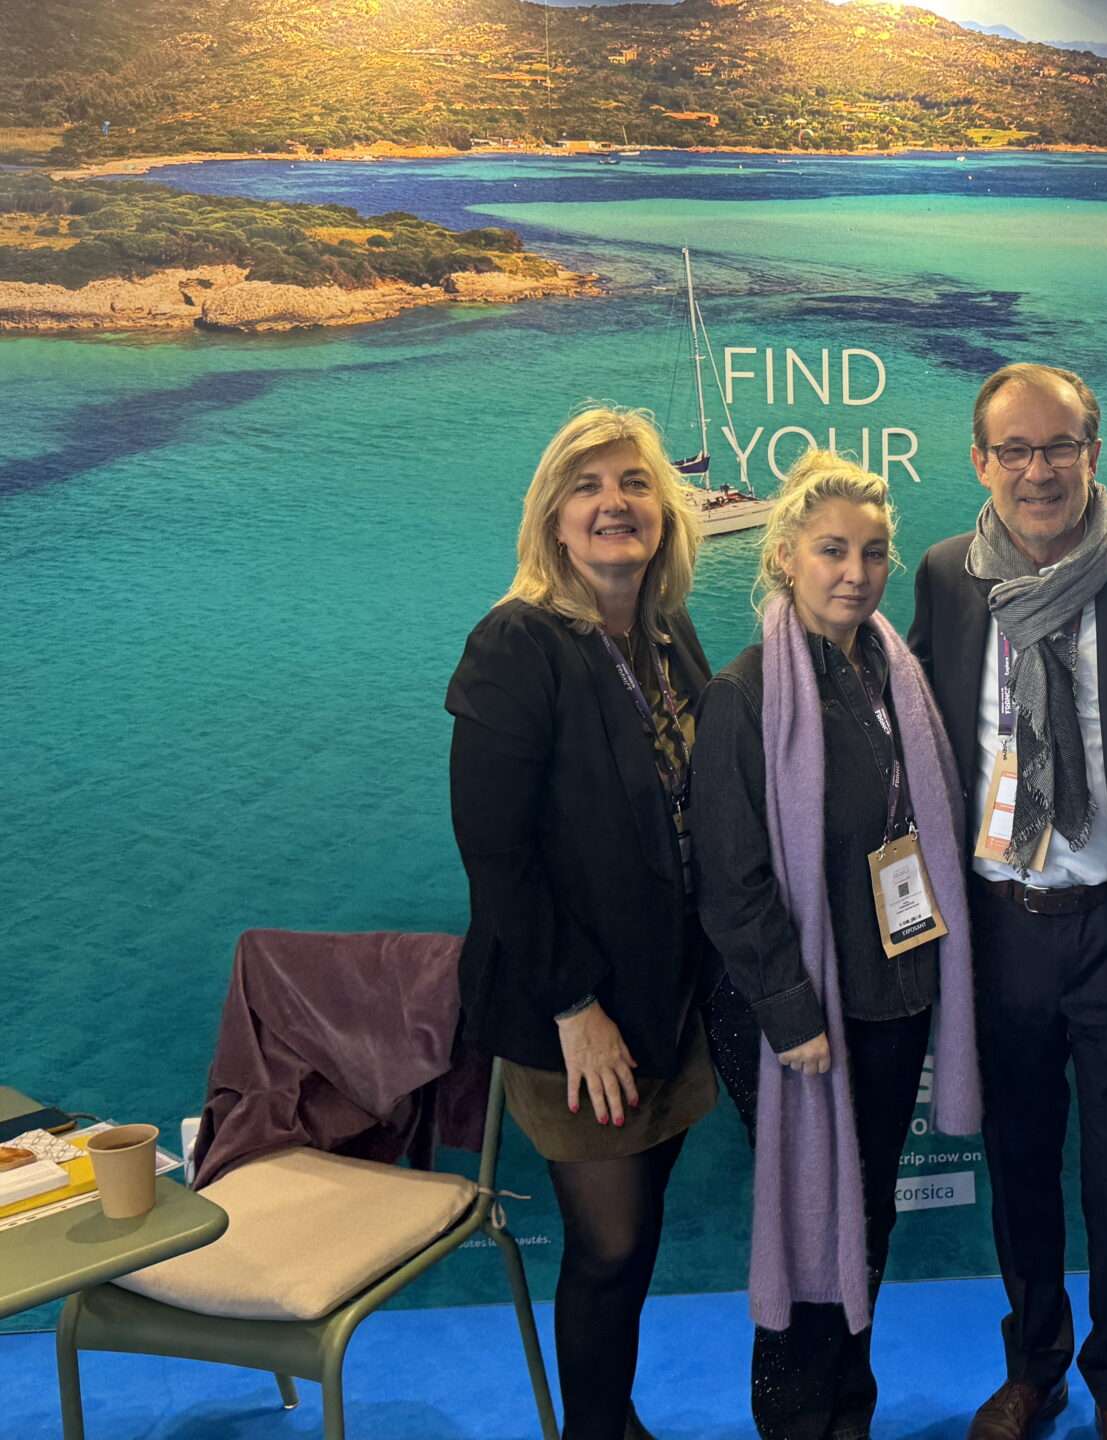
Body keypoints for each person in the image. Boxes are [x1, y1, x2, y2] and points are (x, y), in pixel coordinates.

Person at [908, 363, 1107, 1440]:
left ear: (1095, 450)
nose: (1037, 471)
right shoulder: (947, 578)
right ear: (980, 461)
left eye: (1059, 446)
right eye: (1014, 450)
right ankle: (1034, 1365)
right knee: (1020, 1161)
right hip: (1001, 927)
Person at [691, 451, 981, 1440]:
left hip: (894, 995)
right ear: (783, 556)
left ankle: (848, 1410)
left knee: (870, 1218)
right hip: (800, 1013)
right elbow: (730, 883)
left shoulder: (891, 673)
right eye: (830, 550)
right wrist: (790, 1013)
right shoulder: (745, 697)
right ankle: (796, 1419)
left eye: (873, 551)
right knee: (815, 1222)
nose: (855, 571)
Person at [446, 406, 714, 1440]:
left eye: (635, 483)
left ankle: (614, 1420)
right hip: (576, 1022)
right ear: (554, 517)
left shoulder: (665, 632)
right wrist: (574, 1007)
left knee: (637, 1241)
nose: (615, 503)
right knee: (604, 1248)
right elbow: (495, 854)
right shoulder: (515, 644)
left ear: (664, 510)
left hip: (670, 1001)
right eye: (589, 486)